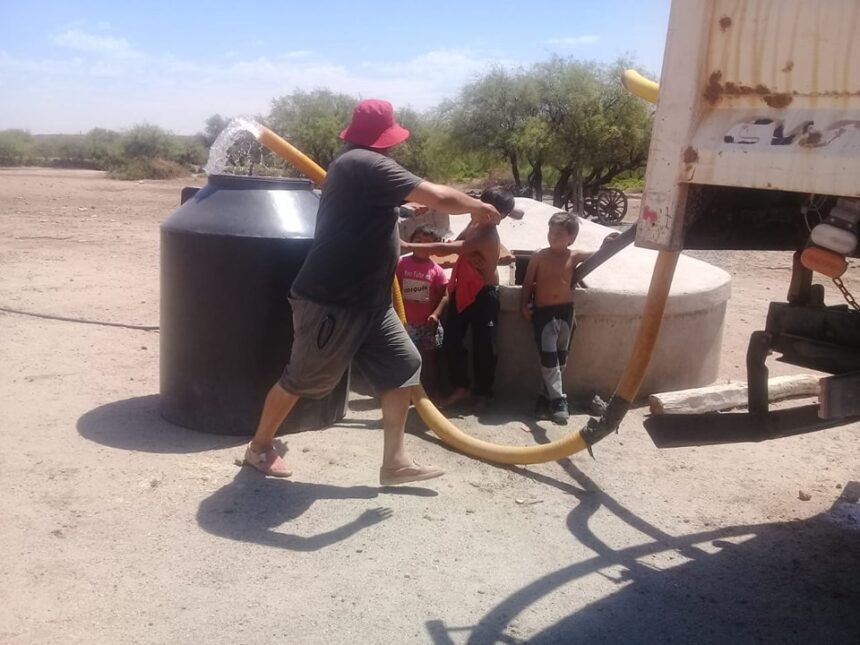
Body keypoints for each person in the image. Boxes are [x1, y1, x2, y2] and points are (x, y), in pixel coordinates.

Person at [244, 98, 501, 485]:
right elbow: (441, 197)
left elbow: (362, 212)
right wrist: (477, 206)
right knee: (303, 379)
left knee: (402, 365)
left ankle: (394, 464)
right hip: (333, 300)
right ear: (385, 139)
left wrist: (400, 212)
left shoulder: (355, 167)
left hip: (372, 302)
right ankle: (258, 447)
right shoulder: (366, 163)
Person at [401, 186, 518, 411]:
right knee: (451, 339)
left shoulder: (488, 235)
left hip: (484, 294)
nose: (479, 208)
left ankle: (484, 392)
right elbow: (456, 238)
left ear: (499, 216)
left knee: (485, 345)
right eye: (480, 203)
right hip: (462, 289)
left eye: (486, 207)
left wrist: (407, 245)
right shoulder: (475, 222)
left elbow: (449, 250)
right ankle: (460, 387)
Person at [519, 212, 594, 424]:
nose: (552, 237)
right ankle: (560, 400)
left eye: (559, 234)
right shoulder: (539, 256)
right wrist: (523, 305)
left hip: (566, 313)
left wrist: (608, 243)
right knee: (549, 358)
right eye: (550, 232)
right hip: (544, 314)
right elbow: (527, 284)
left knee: (560, 360)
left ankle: (544, 398)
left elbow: (597, 254)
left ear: (571, 237)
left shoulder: (574, 255)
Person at [396, 226, 449, 397]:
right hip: (405, 324)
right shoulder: (401, 264)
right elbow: (391, 288)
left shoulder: (436, 271)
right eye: (418, 242)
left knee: (429, 360)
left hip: (427, 325)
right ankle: (405, 393)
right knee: (406, 359)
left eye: (427, 244)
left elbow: (445, 296)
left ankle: (430, 393)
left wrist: (436, 314)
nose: (421, 247)